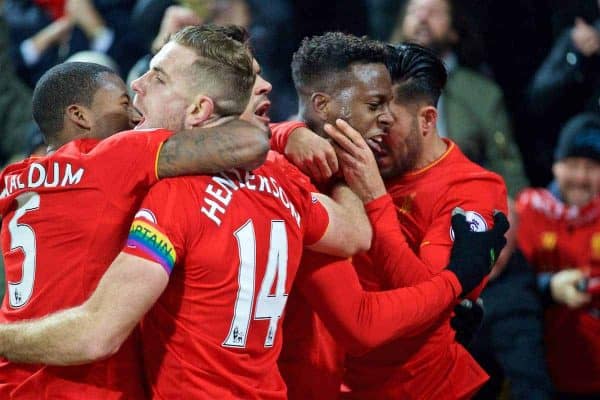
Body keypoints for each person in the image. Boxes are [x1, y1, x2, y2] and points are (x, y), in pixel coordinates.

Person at [0, 27, 509, 399]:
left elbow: (98, 331)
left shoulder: (163, 191)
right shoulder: (282, 179)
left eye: (154, 77)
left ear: (199, 111)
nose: (137, 89)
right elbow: (354, 233)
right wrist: (331, 163)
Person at [0, 27, 270, 398]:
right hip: (79, 385)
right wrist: (287, 133)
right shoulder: (114, 157)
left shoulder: (14, 179)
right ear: (80, 116)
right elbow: (248, 142)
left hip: (13, 376)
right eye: (124, 104)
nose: (133, 115)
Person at [274, 40, 508, 398]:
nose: (376, 130)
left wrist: (375, 200)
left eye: (387, 118)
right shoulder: (353, 159)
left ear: (427, 119)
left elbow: (428, 302)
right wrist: (289, 133)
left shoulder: (471, 191)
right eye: (371, 108)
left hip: (422, 389)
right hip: (338, 380)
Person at [389, 0, 528, 198]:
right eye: (415, 11)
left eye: (434, 12)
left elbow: (506, 163)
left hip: (462, 201)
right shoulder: (378, 82)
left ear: (454, 31)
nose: (422, 17)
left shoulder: (482, 92)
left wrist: (515, 204)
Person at [516, 112, 600, 398]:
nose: (580, 177)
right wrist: (549, 288)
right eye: (572, 164)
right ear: (556, 166)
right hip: (541, 374)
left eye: (591, 167)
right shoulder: (528, 210)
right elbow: (512, 289)